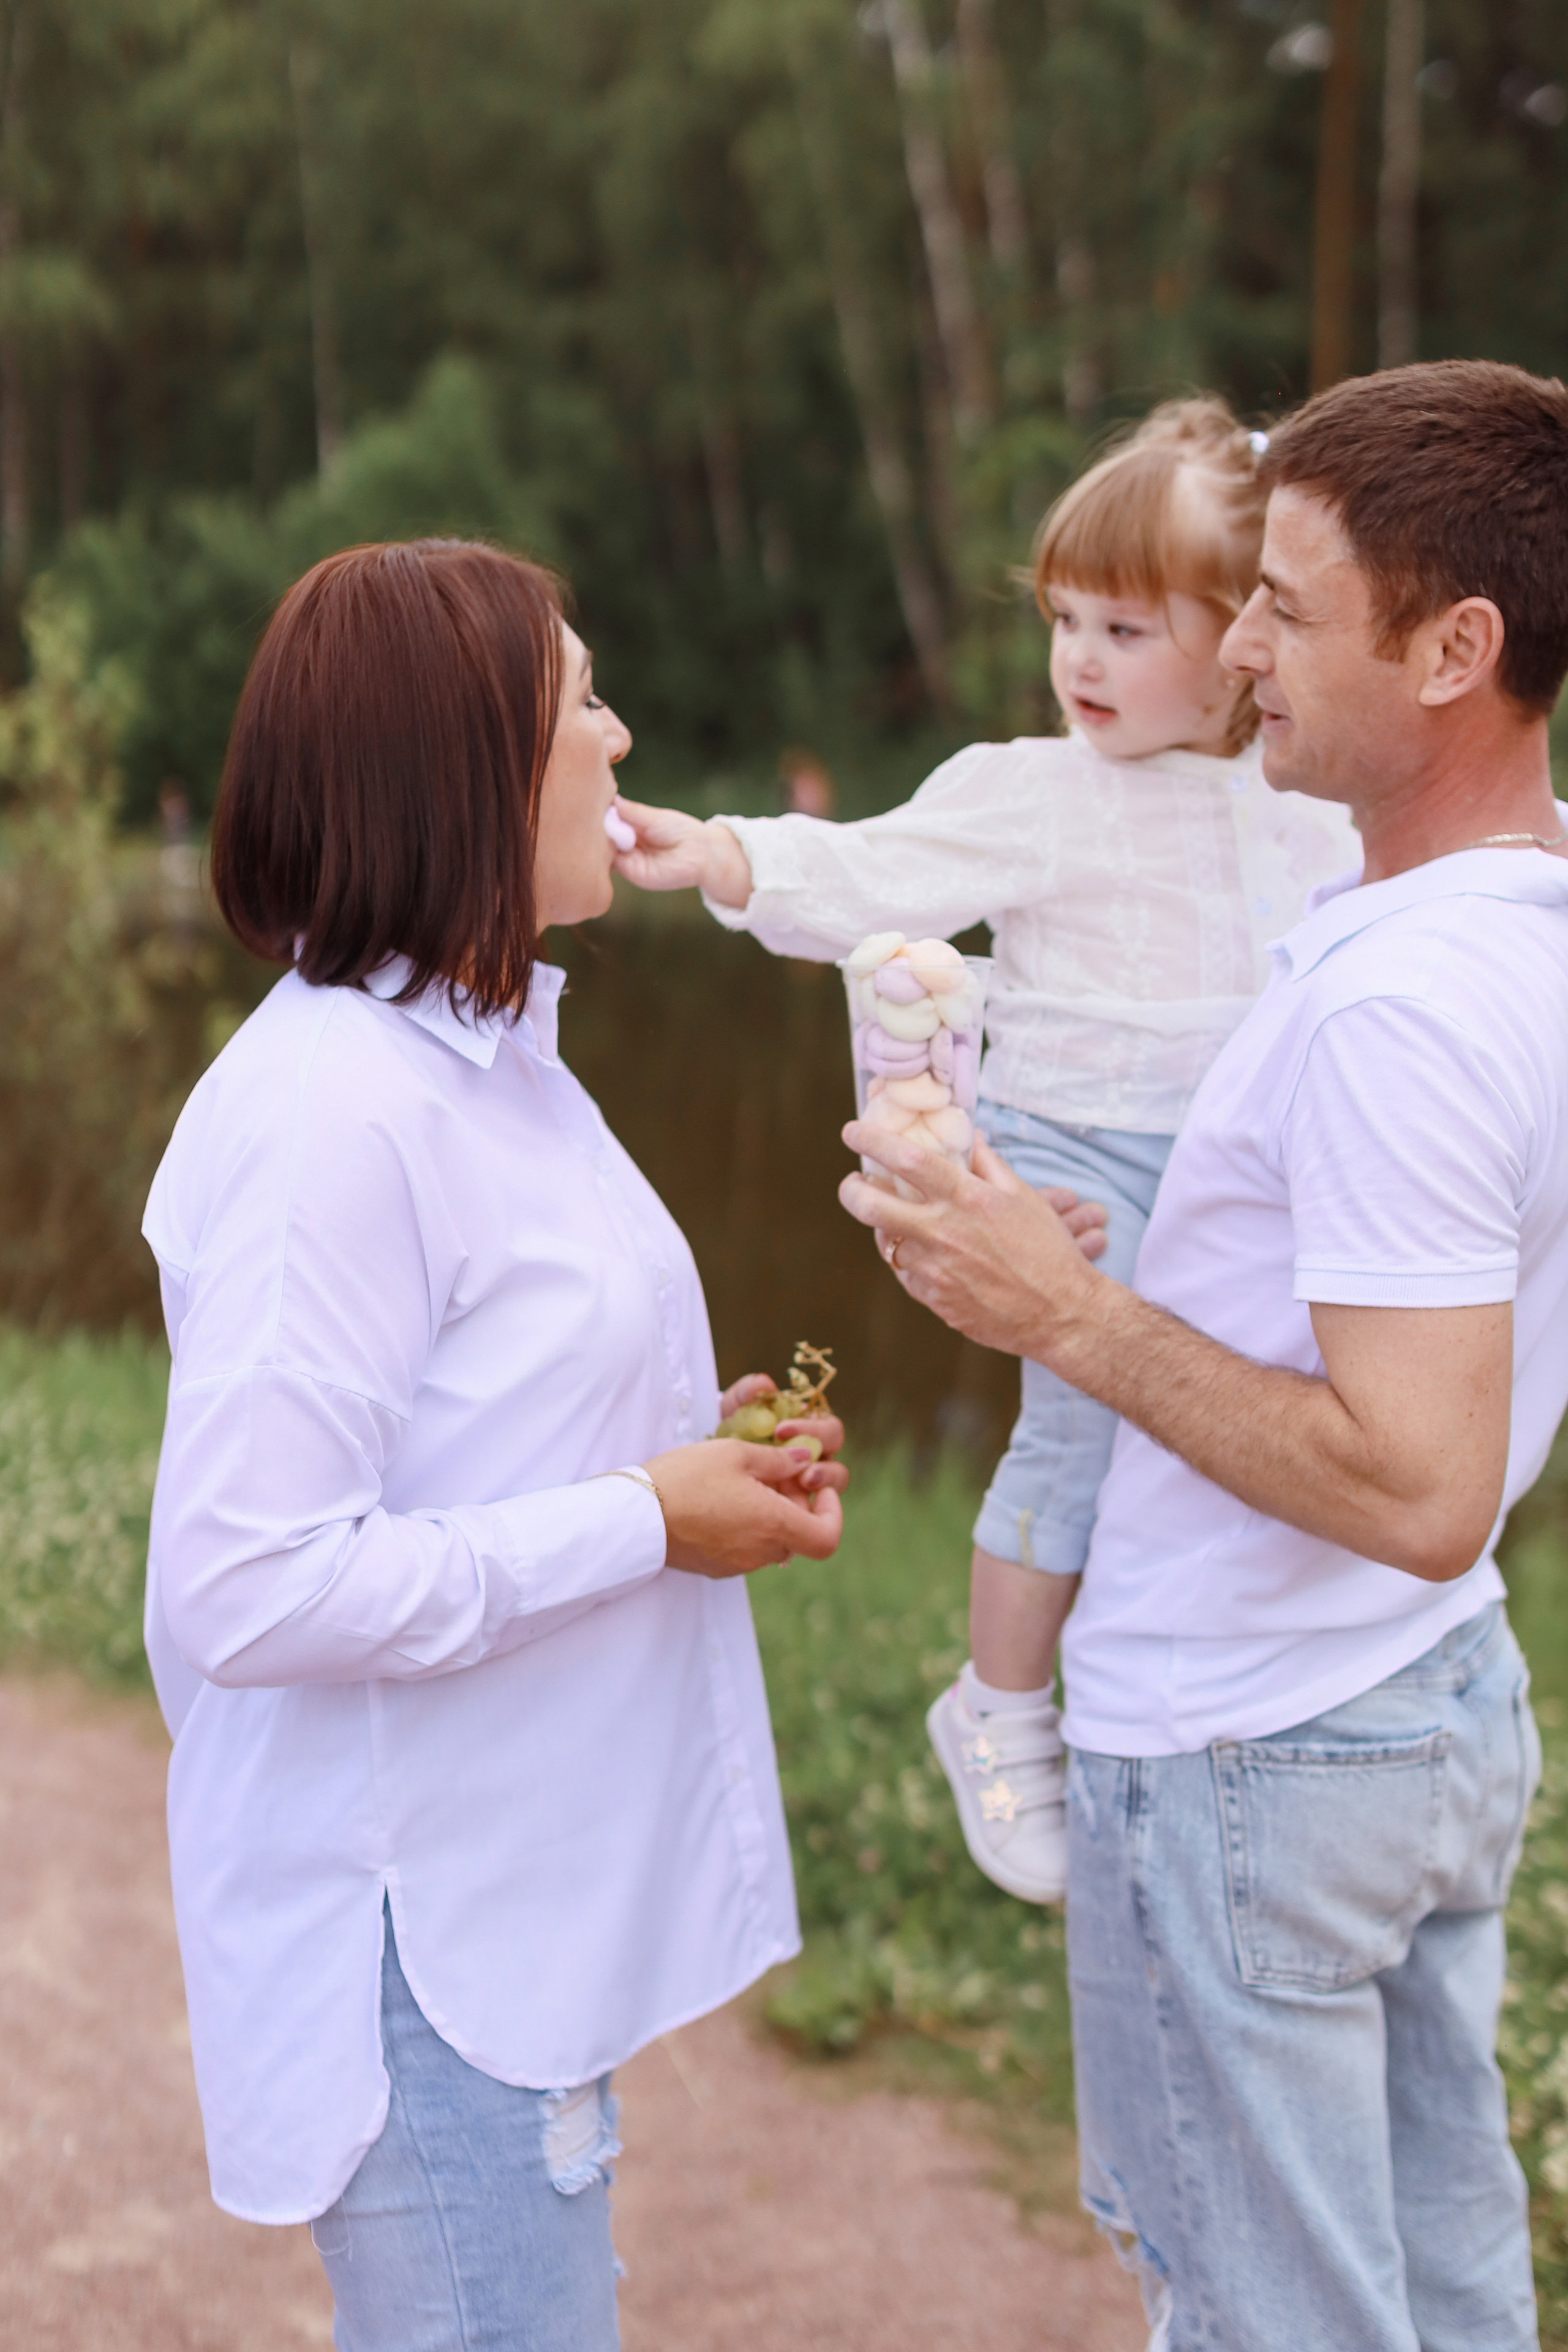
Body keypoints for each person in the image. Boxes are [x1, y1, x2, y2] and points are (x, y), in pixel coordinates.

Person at [839, 358, 1567, 2352]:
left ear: (1456, 651)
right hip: (1414, 1719)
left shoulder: (1401, 1008)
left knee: (1271, 2321)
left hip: (1263, 1745)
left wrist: (1054, 1309)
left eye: (1288, 607)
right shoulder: (1511, 915)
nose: (1236, 646)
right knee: (1442, 2288)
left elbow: (1418, 1482)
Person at [141, 539, 850, 2351]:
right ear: (461, 769)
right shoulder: (334, 1119)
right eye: (581, 705)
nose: (620, 740)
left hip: (507, 1918)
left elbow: (483, 1427)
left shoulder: (494, 1051)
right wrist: (645, 1517)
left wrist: (699, 1459)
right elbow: (249, 1582)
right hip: (424, 1950)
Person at [610, 398, 1357, 1904]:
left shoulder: (1299, 799)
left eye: (1127, 631)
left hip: (1232, 1169)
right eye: (1064, 620)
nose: (1078, 660)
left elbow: (1445, 868)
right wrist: (730, 855)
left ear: (1240, 639)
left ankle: (1207, 1676)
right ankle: (1001, 1709)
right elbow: (877, 867)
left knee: (1255, 1416)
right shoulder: (1036, 791)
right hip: (1067, 1167)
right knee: (1078, 1435)